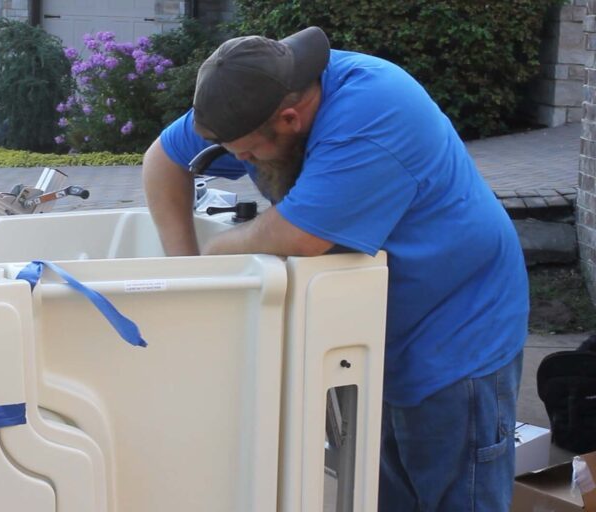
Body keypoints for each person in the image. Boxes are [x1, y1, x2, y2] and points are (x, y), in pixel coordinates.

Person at [142, 26, 529, 511]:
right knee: (389, 494)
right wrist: (186, 276)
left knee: (454, 496)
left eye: (246, 155)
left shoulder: (373, 110)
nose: (240, 164)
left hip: (459, 329)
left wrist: (219, 255)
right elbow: (161, 161)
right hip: (377, 331)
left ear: (287, 119)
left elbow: (299, 236)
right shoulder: (250, 92)